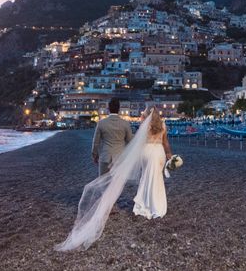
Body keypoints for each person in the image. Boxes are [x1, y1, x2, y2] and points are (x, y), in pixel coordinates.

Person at [55, 107, 173, 252]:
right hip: (158, 152)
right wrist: (169, 155)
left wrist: (123, 158)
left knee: (145, 178)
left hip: (146, 153)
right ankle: (158, 206)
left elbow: (136, 143)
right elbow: (165, 143)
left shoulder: (145, 126)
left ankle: (145, 205)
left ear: (148, 116)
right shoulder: (163, 126)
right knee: (157, 179)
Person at [91, 98, 133, 176]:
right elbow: (130, 140)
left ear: (108, 109)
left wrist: (94, 155)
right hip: (120, 158)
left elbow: (96, 142)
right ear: (119, 109)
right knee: (117, 185)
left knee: (103, 182)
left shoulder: (101, 123)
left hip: (105, 157)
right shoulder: (125, 124)